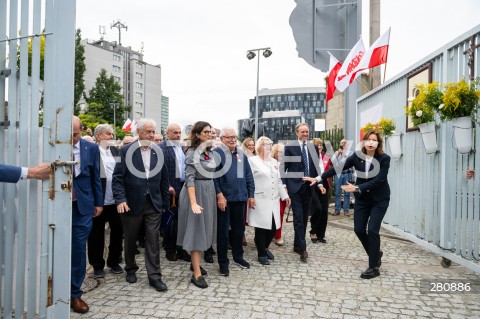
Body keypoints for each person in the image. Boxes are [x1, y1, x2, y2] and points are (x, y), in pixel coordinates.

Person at [321, 129, 391, 279]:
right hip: (363, 200)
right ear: (364, 142)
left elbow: (378, 180)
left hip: (379, 199)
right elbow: (338, 168)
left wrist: (358, 187)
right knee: (359, 230)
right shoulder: (357, 157)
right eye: (369, 139)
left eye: (374, 140)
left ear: (378, 143)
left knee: (372, 230)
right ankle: (376, 253)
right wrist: (319, 178)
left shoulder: (384, 159)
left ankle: (373, 267)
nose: (371, 142)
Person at [112, 118, 170, 292]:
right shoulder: (125, 151)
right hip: (131, 203)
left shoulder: (158, 151)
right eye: (149, 132)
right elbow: (117, 178)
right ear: (139, 132)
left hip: (153, 203)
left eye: (153, 132)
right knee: (130, 238)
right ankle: (130, 268)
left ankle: (155, 276)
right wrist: (120, 199)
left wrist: (165, 203)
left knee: (153, 240)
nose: (152, 135)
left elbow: (164, 179)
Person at [177, 121, 217, 289]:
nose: (209, 134)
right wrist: (193, 202)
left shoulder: (209, 152)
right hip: (196, 192)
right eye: (206, 132)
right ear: (198, 134)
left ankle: (195, 263)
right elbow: (189, 179)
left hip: (208, 191)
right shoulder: (192, 153)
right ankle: (196, 274)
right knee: (196, 231)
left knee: (205, 229)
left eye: (211, 132)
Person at [71, 116, 103, 313]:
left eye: (75, 134)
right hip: (54, 206)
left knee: (78, 249)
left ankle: (75, 294)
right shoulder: (50, 145)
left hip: (82, 207)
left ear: (82, 131)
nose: (72, 138)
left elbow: (95, 176)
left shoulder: (90, 148)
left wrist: (99, 202)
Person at [214, 127, 255, 276]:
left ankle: (238, 257)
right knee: (223, 233)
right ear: (221, 139)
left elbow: (248, 175)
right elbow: (214, 177)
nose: (232, 139)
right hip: (224, 200)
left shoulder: (241, 154)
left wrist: (251, 195)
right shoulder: (216, 154)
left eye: (234, 137)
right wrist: (219, 195)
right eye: (228, 137)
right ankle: (223, 263)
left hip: (240, 198)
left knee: (239, 230)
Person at [280, 123, 324, 263]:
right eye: (302, 132)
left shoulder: (313, 147)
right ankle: (303, 249)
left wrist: (320, 183)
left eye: (307, 132)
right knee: (298, 218)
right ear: (296, 133)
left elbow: (316, 168)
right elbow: (283, 167)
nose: (305, 134)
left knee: (304, 218)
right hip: (295, 187)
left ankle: (296, 245)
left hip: (309, 188)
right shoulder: (290, 147)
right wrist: (285, 186)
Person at [87, 124, 124, 278]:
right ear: (99, 136)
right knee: (96, 234)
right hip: (99, 201)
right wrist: (95, 201)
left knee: (118, 231)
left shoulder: (115, 151)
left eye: (111, 134)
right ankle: (97, 265)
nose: (111, 136)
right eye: (108, 134)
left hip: (115, 200)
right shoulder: (93, 152)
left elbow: (121, 173)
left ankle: (114, 261)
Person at [247, 137, 290, 265]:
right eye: (266, 144)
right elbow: (249, 181)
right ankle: (261, 253)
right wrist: (250, 197)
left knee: (273, 227)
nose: (269, 147)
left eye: (270, 145)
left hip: (273, 200)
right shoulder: (252, 161)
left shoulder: (274, 162)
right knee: (261, 227)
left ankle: (264, 247)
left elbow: (279, 181)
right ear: (260, 146)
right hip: (259, 199)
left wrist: (285, 196)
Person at [159, 123, 191, 262]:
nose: (178, 135)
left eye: (179, 133)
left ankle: (181, 249)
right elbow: (158, 170)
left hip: (183, 188)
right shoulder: (161, 148)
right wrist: (166, 186)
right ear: (168, 133)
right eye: (175, 133)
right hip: (170, 191)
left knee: (182, 221)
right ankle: (170, 250)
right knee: (171, 222)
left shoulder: (182, 148)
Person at [309, 138, 331, 244]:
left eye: (321, 145)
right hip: (313, 185)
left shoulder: (325, 157)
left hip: (325, 185)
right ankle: (313, 231)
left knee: (325, 211)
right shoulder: (310, 158)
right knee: (318, 209)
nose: (320, 147)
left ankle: (321, 234)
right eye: (317, 145)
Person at [331, 139, 353, 215]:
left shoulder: (350, 153)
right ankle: (337, 210)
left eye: (345, 143)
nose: (343, 144)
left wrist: (343, 153)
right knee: (337, 192)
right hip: (339, 173)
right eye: (342, 143)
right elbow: (333, 161)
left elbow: (350, 161)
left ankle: (346, 210)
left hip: (347, 173)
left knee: (347, 193)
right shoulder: (336, 152)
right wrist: (338, 154)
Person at [271, 143, 287, 246]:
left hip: (284, 192)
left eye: (284, 152)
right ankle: (269, 233)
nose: (282, 154)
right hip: (272, 192)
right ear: (275, 152)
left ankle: (278, 235)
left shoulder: (287, 163)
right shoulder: (271, 163)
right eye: (280, 152)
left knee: (280, 213)